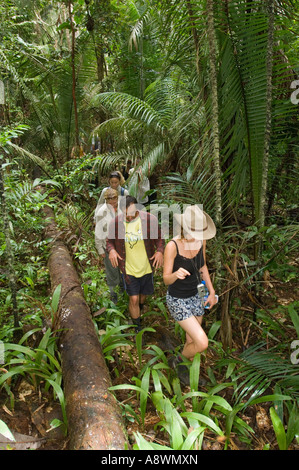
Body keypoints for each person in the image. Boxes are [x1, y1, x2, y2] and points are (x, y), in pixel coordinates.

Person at [163, 205, 217, 382]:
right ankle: (177, 361)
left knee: (191, 340)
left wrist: (211, 291)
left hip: (196, 295)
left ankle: (185, 375)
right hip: (178, 299)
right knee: (202, 342)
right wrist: (175, 275)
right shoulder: (172, 246)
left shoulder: (202, 240)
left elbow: (202, 266)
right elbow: (165, 279)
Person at [107, 196, 164, 331]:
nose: (130, 217)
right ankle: (137, 327)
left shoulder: (149, 220)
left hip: (146, 267)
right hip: (128, 268)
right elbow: (109, 241)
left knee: (142, 296)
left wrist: (160, 251)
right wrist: (112, 250)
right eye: (126, 214)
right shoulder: (116, 223)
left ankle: (139, 310)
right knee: (133, 299)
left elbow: (160, 239)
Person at [94, 188, 122, 303]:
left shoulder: (123, 208)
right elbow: (98, 231)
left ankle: (123, 291)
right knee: (112, 272)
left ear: (117, 198)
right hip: (108, 246)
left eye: (114, 201)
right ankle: (114, 295)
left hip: (123, 245)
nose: (112, 204)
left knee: (123, 270)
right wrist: (100, 249)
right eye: (109, 202)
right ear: (106, 201)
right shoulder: (101, 212)